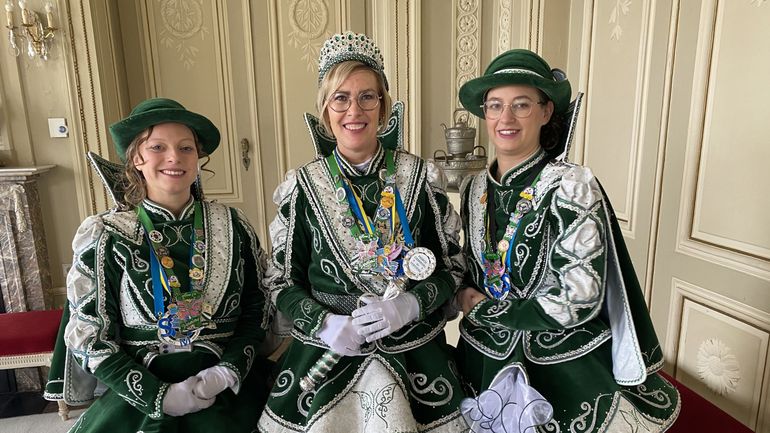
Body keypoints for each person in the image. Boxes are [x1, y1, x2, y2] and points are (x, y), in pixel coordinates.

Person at [454, 49, 681, 432]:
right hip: (482, 356)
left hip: (559, 363)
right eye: (495, 105)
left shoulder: (573, 186)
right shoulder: (473, 187)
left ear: (545, 112)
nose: (505, 118)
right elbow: (469, 269)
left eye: (521, 105)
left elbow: (579, 299)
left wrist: (485, 310)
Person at [258, 31, 467, 433]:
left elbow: (451, 269)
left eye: (367, 96)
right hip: (328, 350)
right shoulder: (301, 187)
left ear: (383, 106)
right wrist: (324, 323)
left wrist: (406, 307)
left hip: (412, 349)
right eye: (341, 98)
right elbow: (282, 282)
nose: (354, 110)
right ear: (325, 109)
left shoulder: (421, 177)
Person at [46, 98, 272, 432]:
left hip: (225, 386)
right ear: (136, 158)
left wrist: (228, 371)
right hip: (142, 391)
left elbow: (257, 310)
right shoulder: (107, 234)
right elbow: (91, 336)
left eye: (186, 148)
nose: (174, 158)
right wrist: (159, 397)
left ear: (198, 158)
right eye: (157, 147)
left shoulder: (234, 225)